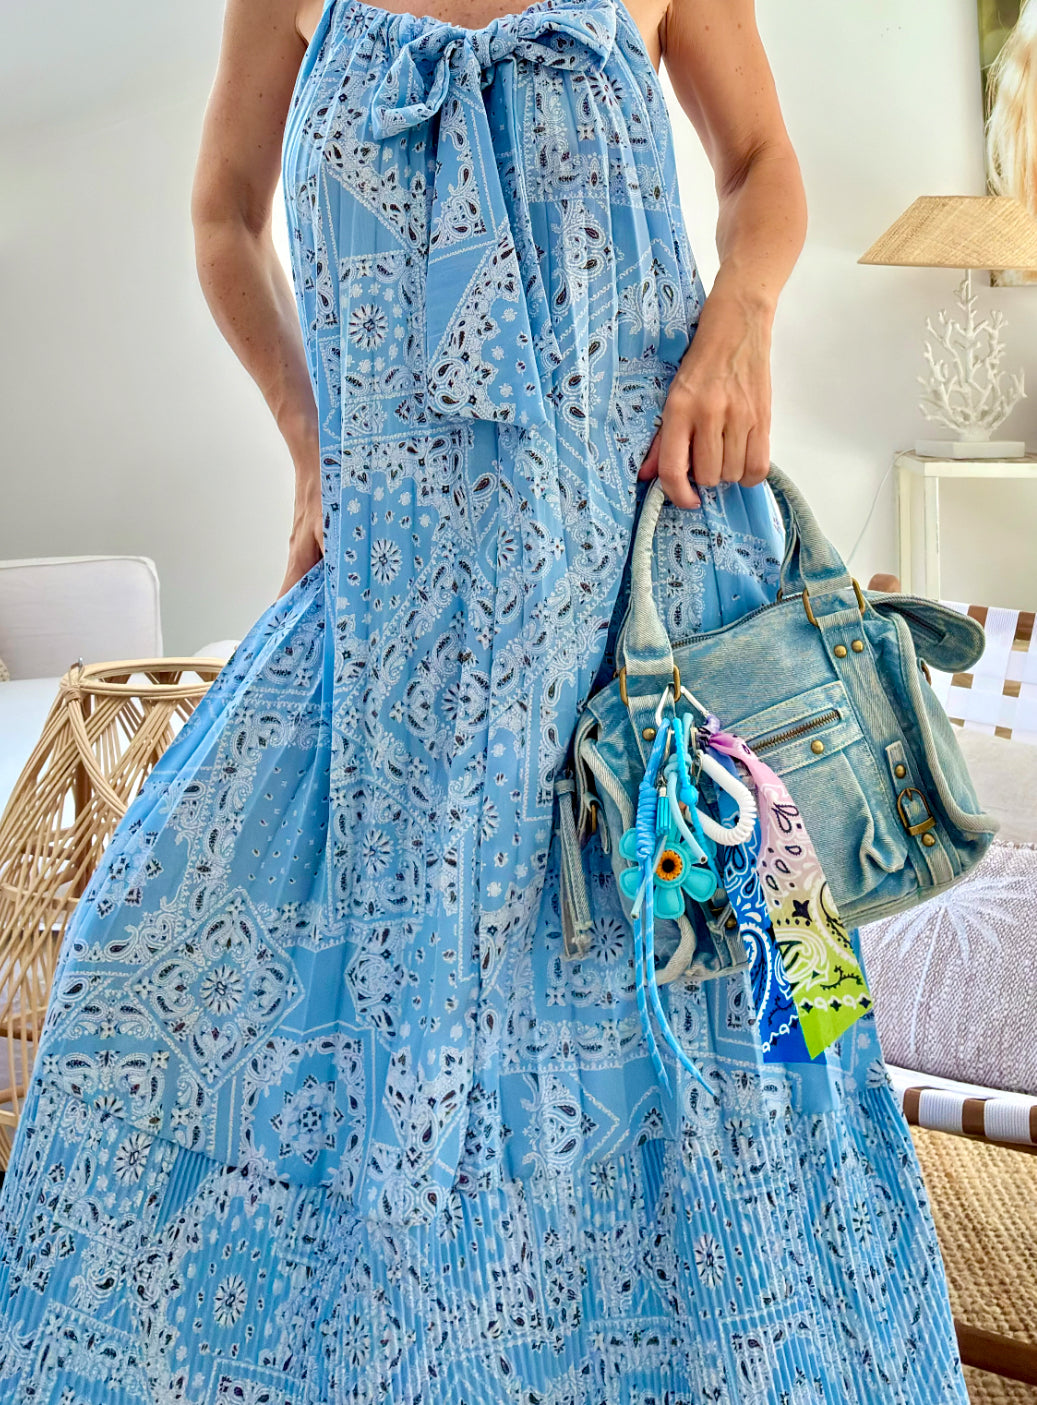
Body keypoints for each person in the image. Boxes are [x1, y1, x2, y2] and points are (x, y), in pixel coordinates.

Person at [0, 0, 968, 1400]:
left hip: (667, 600)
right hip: (394, 623)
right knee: (140, 966)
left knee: (787, 1012)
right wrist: (307, 441)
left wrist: (741, 322)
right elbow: (222, 219)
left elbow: (763, 163)